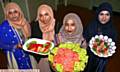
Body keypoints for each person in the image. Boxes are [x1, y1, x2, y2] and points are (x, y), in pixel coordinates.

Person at [0, 2, 37, 69]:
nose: (13, 15)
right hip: (15, 55)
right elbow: (1, 44)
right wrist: (15, 46)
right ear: (7, 14)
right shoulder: (3, 27)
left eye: (15, 12)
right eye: (10, 13)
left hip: (27, 52)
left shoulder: (24, 22)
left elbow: (28, 36)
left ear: (19, 12)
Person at [83, 2, 117, 72]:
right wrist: (85, 43)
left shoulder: (112, 30)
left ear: (110, 16)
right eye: (101, 14)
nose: (104, 17)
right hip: (90, 55)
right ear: (97, 14)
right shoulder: (91, 25)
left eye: (107, 14)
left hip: (102, 60)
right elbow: (85, 37)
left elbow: (112, 45)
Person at [30, 4, 58, 72]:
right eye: (41, 15)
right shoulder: (35, 26)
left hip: (55, 56)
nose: (44, 18)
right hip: (42, 58)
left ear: (51, 14)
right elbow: (33, 44)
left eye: (46, 14)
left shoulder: (57, 24)